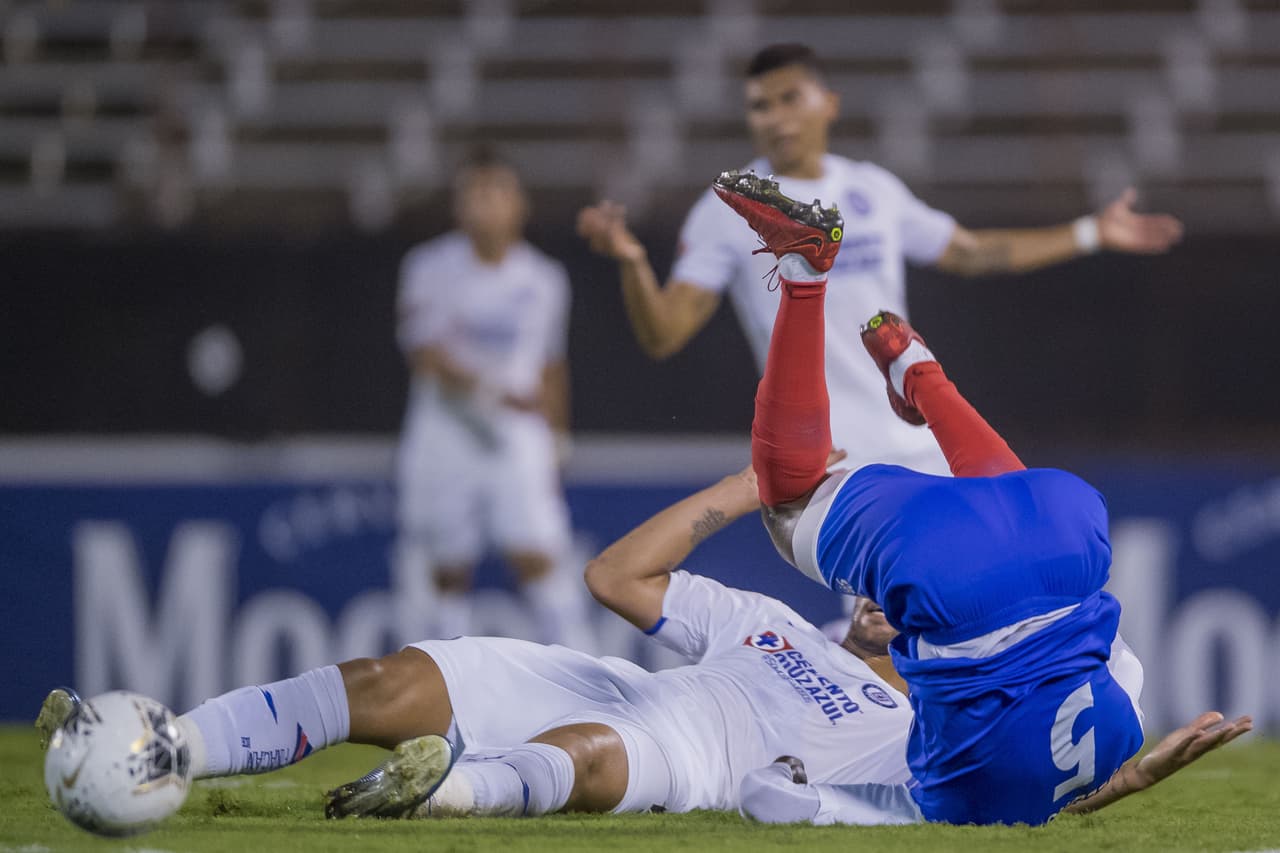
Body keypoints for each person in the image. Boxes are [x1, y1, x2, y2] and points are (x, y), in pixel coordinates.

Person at [710, 169, 1244, 825]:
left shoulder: (1124, 729)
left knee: (1011, 506)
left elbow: (1083, 760)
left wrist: (1135, 774)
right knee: (788, 503)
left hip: (1068, 526)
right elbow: (775, 799)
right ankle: (804, 271)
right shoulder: (948, 801)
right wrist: (781, 769)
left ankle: (923, 377)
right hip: (951, 582)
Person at [37, 458, 918, 820]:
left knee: (590, 754)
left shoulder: (918, 731)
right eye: (884, 567)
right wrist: (753, 481)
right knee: (385, 677)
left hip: (692, 754)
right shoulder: (776, 624)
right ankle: (169, 743)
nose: (889, 587)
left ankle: (439, 792)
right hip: (615, 684)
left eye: (918, 587)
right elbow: (615, 578)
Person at [577, 42, 1184, 476]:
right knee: (887, 627)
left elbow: (973, 253)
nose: (777, 118)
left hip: (917, 435)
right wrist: (632, 262)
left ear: (829, 104)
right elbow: (664, 334)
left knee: (940, 624)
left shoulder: (872, 189)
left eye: (791, 98)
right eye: (761, 106)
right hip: (831, 452)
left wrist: (1090, 233)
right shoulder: (730, 209)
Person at [395, 145, 592, 649]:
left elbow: (551, 363)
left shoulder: (544, 278)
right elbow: (427, 355)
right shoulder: (428, 267)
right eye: (474, 194)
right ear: (458, 206)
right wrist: (494, 393)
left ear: (519, 203)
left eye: (495, 192)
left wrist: (559, 436)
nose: (485, 205)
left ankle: (584, 671)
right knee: (446, 567)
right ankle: (441, 689)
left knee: (539, 555)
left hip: (516, 436)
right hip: (448, 431)